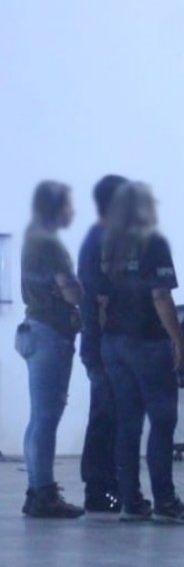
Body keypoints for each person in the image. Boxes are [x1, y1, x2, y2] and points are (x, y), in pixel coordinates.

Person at [99, 181, 184, 523]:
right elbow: (161, 297)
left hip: (114, 343)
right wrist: (179, 339)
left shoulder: (109, 244)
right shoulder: (153, 243)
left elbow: (99, 301)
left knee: (128, 425)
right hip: (146, 342)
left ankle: (131, 501)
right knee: (162, 421)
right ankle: (166, 500)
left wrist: (109, 337)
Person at [17, 180, 85, 518]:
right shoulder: (51, 244)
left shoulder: (31, 238)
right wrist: (79, 293)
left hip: (33, 330)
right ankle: (43, 494)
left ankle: (37, 489)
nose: (73, 211)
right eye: (69, 204)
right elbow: (70, 290)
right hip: (51, 333)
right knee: (47, 417)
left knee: (38, 417)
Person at [77, 174, 127, 512]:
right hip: (102, 343)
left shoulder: (99, 238)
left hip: (102, 341)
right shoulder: (101, 239)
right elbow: (99, 294)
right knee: (106, 416)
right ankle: (99, 489)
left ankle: (105, 485)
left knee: (110, 415)